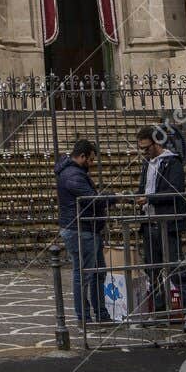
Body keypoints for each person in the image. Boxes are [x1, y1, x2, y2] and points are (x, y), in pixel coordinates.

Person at [136, 126, 186, 325]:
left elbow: (174, 190)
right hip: (149, 223)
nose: (144, 152)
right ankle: (158, 311)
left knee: (176, 268)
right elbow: (143, 187)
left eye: (146, 148)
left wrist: (149, 199)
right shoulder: (147, 164)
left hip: (168, 223)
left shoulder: (172, 162)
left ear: (157, 143)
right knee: (152, 270)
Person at [55, 138, 113, 325]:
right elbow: (91, 199)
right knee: (84, 275)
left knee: (97, 272)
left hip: (86, 228)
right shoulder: (74, 175)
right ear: (82, 156)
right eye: (91, 159)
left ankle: (100, 314)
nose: (92, 163)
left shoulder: (73, 172)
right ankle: (85, 318)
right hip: (81, 230)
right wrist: (114, 198)